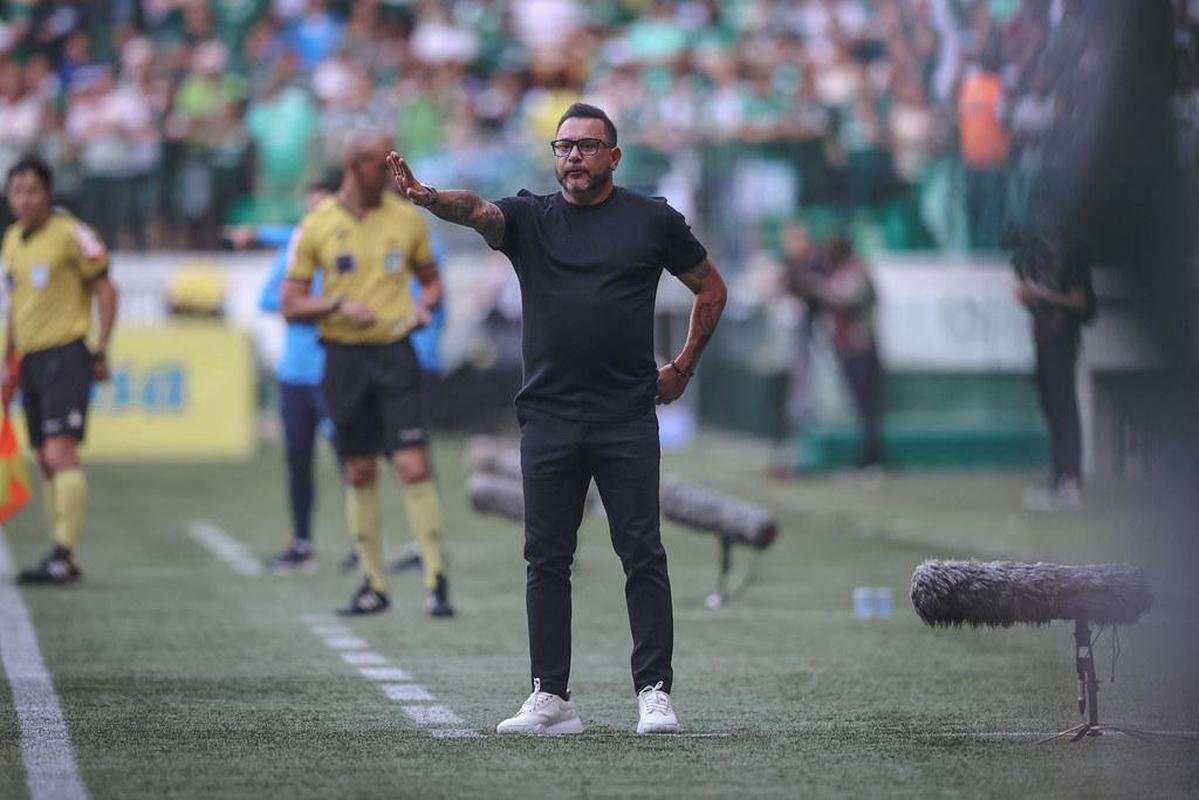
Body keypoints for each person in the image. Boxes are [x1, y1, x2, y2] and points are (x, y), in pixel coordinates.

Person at [389, 102, 728, 735]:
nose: (573, 156)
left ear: (614, 157)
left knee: (642, 553)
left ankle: (653, 691)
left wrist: (681, 368)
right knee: (546, 558)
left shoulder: (651, 220)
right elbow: (477, 210)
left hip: (626, 415)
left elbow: (711, 288)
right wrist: (428, 196)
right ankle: (551, 697)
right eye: (563, 146)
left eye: (587, 146)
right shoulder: (529, 218)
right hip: (547, 416)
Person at [281, 130, 453, 618]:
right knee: (357, 469)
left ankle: (436, 579)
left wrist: (426, 307)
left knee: (413, 465)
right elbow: (291, 303)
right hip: (343, 358)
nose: (394, 174)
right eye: (384, 166)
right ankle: (374, 585)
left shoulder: (408, 220)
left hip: (396, 354)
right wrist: (333, 303)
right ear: (356, 168)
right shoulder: (316, 225)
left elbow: (432, 281)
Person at [1, 154, 119, 584]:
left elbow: (107, 289)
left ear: (48, 193)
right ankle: (58, 550)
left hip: (66, 352)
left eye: (32, 191)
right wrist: (7, 364)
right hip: (30, 359)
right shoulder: (12, 240)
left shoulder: (72, 233)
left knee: (59, 452)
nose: (24, 200)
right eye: (17, 192)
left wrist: (100, 348)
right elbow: (14, 308)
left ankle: (65, 554)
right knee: (45, 459)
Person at [254, 175, 339, 573]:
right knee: (297, 459)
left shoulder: (346, 248)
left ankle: (361, 542)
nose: (314, 215)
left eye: (321, 206)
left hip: (334, 368)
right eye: (310, 207)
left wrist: (306, 303)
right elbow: (270, 298)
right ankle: (302, 541)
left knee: (350, 459)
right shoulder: (295, 248)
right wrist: (326, 304)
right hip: (295, 372)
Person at [1013, 217, 1095, 511]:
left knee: (1064, 408)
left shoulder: (1073, 257)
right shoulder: (1039, 256)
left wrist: (1043, 294)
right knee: (1051, 406)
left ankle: (1070, 480)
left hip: (1062, 339)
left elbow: (1081, 302)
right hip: (1043, 339)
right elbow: (1025, 294)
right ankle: (1060, 476)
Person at [789, 236, 884, 470]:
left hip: (861, 346)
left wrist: (816, 286)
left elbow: (846, 299)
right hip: (849, 346)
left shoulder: (856, 271)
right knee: (861, 408)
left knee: (867, 408)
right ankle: (866, 458)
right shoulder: (844, 272)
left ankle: (871, 460)